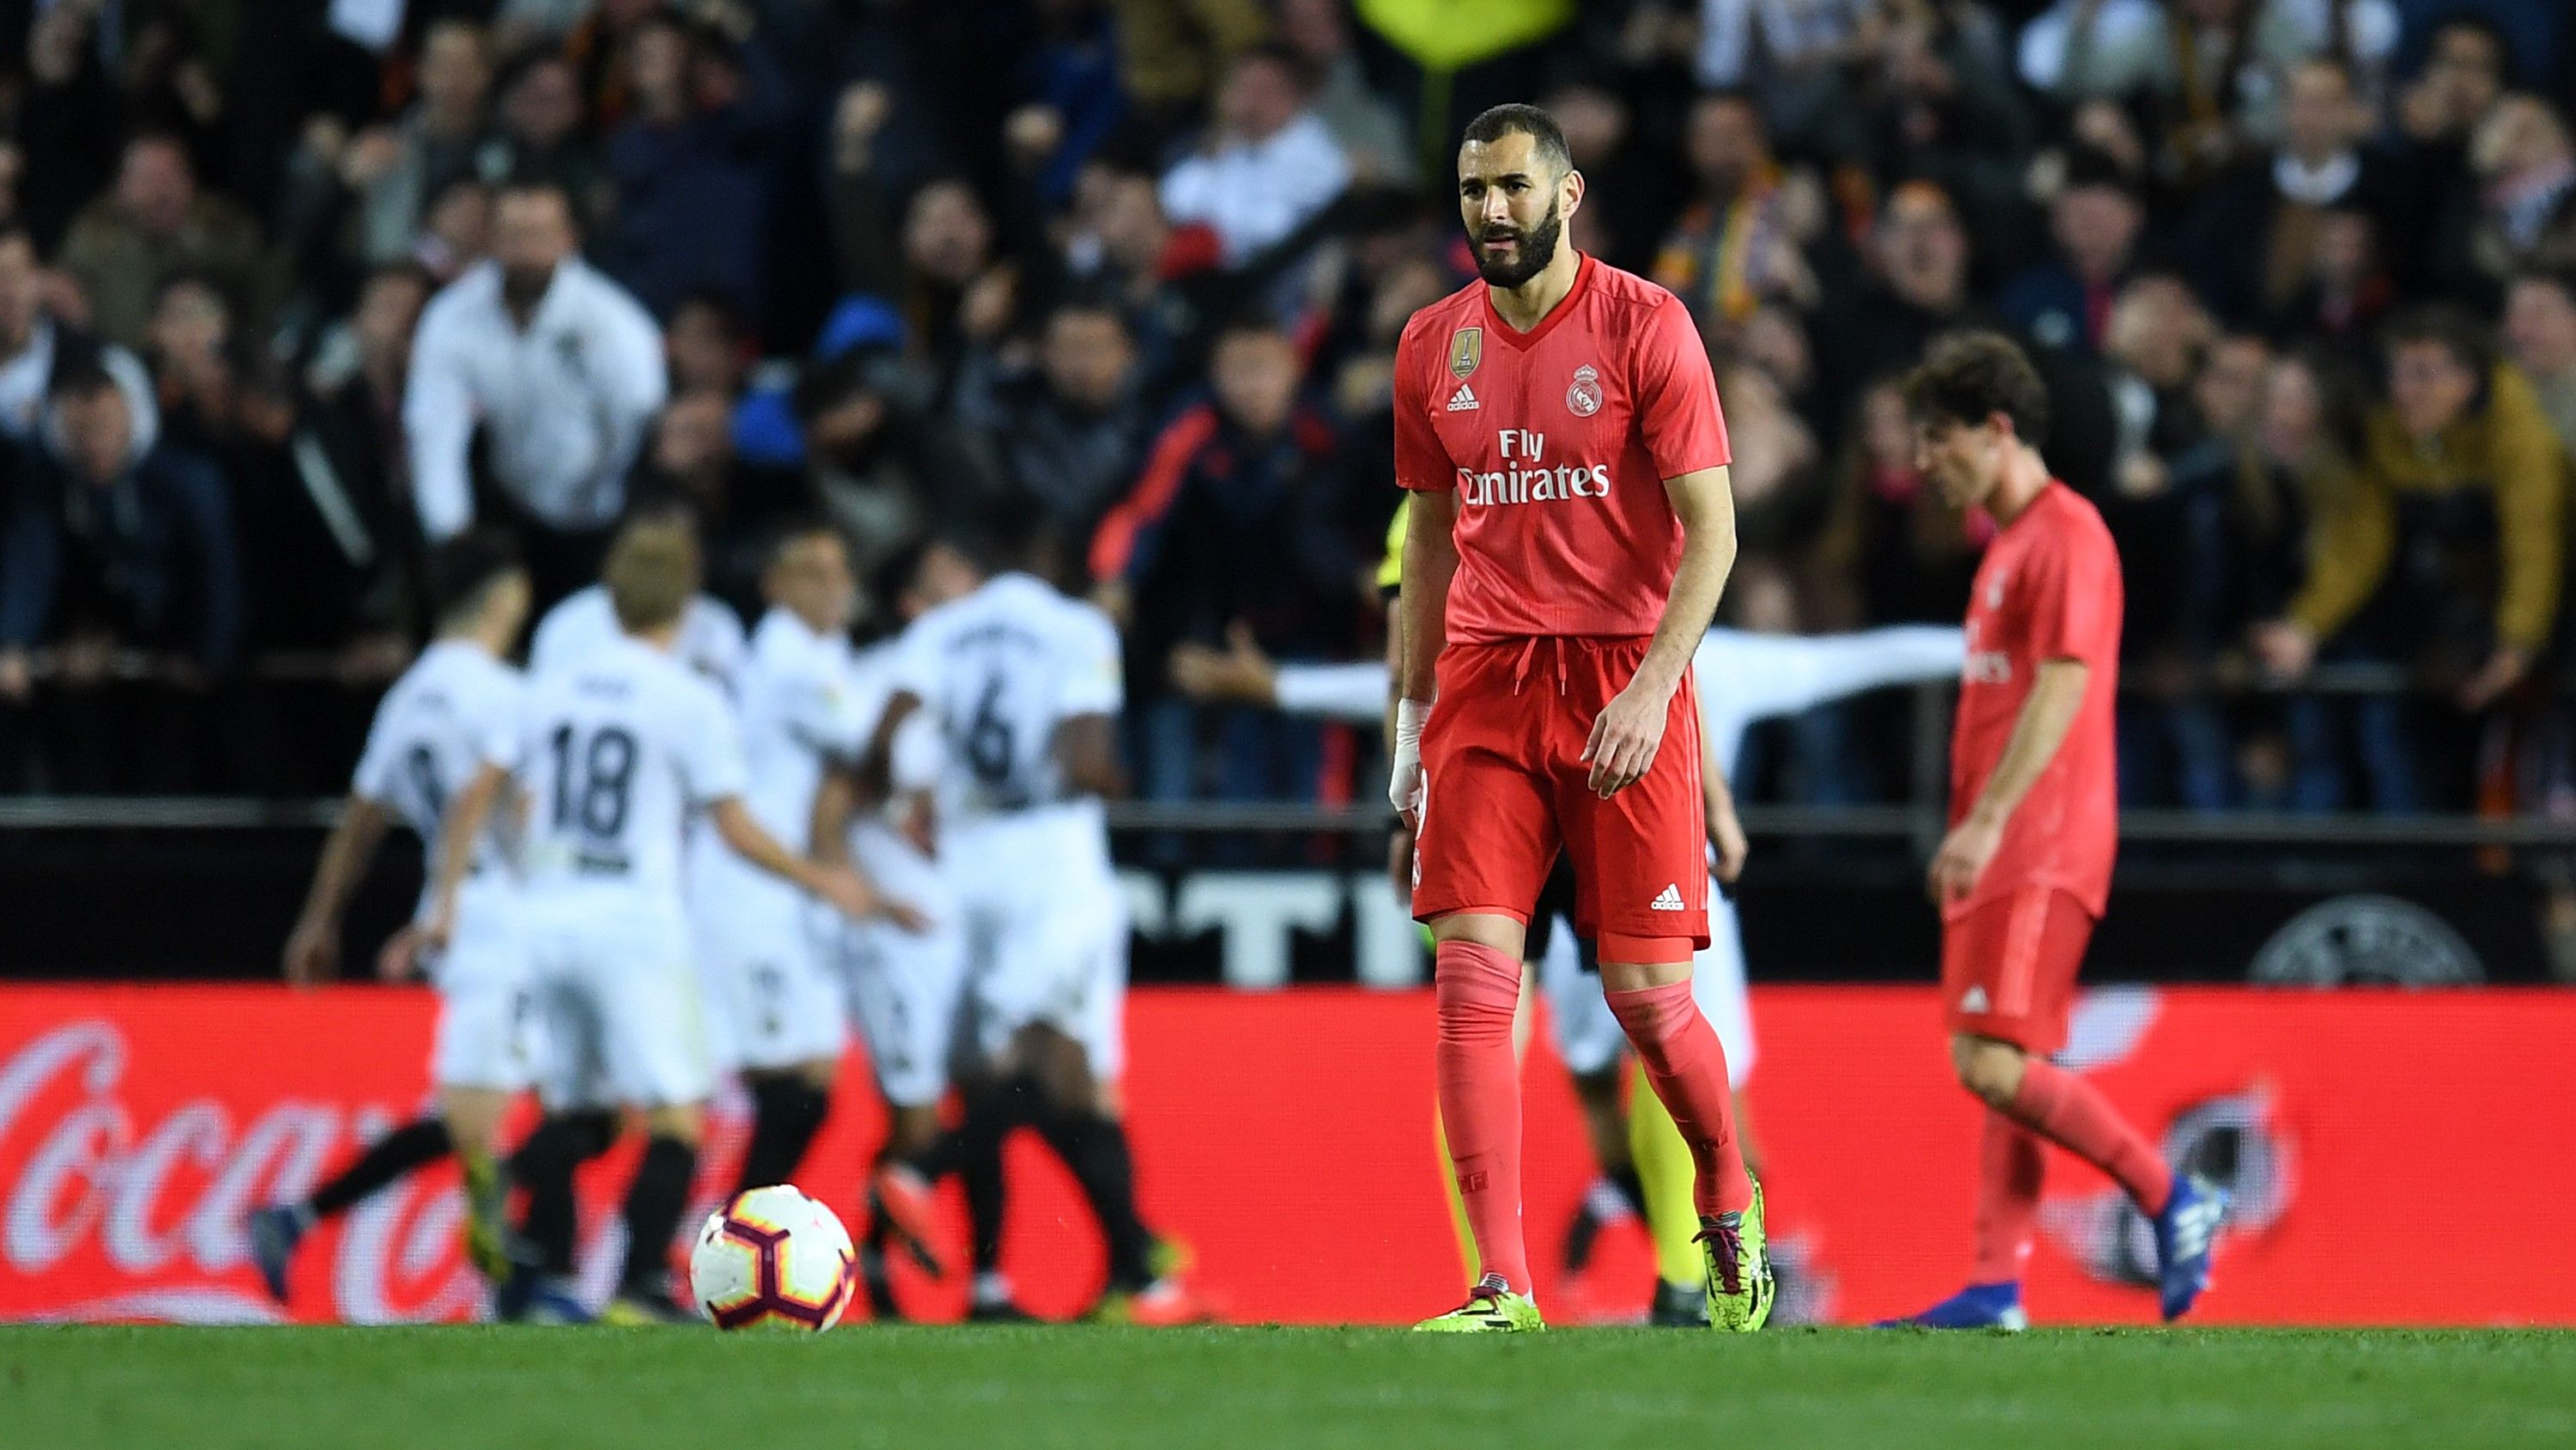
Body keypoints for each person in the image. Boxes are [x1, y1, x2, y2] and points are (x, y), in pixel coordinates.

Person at [1388, 103, 1765, 1333]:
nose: (1489, 211)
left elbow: (1709, 533)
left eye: (1510, 187)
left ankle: (1723, 1193)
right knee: (1469, 985)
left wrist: (1654, 690)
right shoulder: (1426, 346)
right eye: (1470, 191)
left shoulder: (1646, 326)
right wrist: (1409, 724)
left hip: (1621, 671)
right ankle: (1500, 1289)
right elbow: (1429, 542)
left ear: (1567, 193)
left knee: (1648, 1004)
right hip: (1487, 680)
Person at [425, 515, 910, 1325]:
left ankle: (527, 1244)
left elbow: (477, 792)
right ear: (684, 606)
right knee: (676, 1117)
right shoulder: (687, 698)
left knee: (588, 1116)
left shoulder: (548, 688)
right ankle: (639, 1282)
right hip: (631, 924)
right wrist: (818, 879)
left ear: (609, 598)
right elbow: (734, 826)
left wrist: (450, 895)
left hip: (544, 918)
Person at [1878, 332, 2224, 1330]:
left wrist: (1987, 821)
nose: (1923, 461)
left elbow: (2066, 682)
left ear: (1996, 429)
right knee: (2004, 1060)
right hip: (2005, 837)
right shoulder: (2009, 546)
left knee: (1987, 1058)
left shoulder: (2066, 533)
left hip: (2037, 836)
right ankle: (1994, 1284)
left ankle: (2170, 1193)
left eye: (1937, 439)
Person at [849, 520, 1203, 1324]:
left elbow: (884, 734)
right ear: (1051, 558)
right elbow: (1081, 760)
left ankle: (1132, 1280)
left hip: (968, 866)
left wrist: (899, 802)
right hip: (1052, 858)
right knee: (1051, 1060)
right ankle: (921, 1172)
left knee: (1063, 1079)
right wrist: (1112, 775)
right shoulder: (1074, 627)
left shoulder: (941, 628)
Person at [247, 532, 548, 1311]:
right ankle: (514, 1282)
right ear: (504, 598)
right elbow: (494, 799)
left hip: (467, 914)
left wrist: (318, 920)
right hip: (495, 914)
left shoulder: (407, 695)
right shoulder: (502, 692)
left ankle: (307, 1218)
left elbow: (360, 821)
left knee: (507, 1106)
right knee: (483, 1114)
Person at [694, 521, 886, 1205]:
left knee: (812, 1086)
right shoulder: (787, 659)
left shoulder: (825, 653)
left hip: (791, 898)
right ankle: (698, 1248)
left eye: (842, 570)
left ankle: (726, 1241)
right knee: (789, 1087)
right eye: (815, 571)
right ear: (774, 586)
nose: (837, 585)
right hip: (748, 894)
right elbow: (877, 743)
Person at [404, 180, 667, 603]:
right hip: (509, 511)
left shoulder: (615, 325)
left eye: (540, 236)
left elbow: (639, 427)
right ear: (489, 238)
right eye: (513, 236)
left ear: (569, 240)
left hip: (603, 514)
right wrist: (452, 535)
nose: (526, 252)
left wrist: (614, 510)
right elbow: (434, 429)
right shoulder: (452, 316)